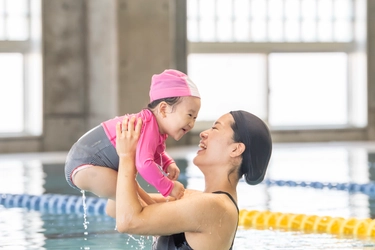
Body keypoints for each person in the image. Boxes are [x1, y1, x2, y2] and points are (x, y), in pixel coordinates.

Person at [111, 110, 272, 250]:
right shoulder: (194, 200)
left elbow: (128, 221)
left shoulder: (215, 207)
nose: (203, 133)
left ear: (236, 149)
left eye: (215, 128)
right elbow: (114, 208)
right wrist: (143, 150)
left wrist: (127, 157)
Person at [64, 69, 201, 207]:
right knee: (139, 205)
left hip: (87, 164)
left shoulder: (153, 127)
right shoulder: (147, 126)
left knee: (147, 203)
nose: (192, 124)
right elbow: (145, 164)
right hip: (85, 165)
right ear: (163, 109)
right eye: (190, 115)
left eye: (195, 118)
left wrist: (166, 163)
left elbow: (155, 150)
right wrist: (168, 187)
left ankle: (163, 224)